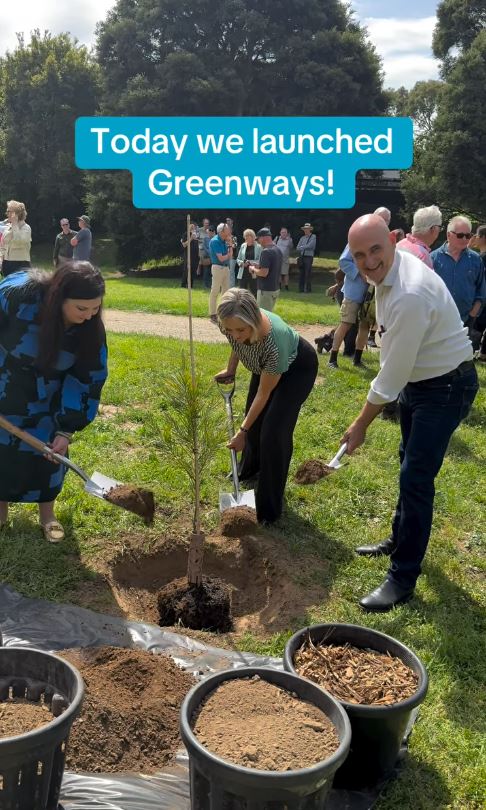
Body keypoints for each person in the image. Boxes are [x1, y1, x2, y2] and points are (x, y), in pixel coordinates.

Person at [341, 214, 478, 612]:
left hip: (446, 386)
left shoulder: (409, 294)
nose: (368, 262)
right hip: (421, 382)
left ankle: (402, 577)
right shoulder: (390, 271)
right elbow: (399, 370)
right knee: (408, 462)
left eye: (375, 250)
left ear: (393, 239)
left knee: (416, 478)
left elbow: (391, 374)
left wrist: (360, 424)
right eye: (359, 254)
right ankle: (399, 539)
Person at [0, 262, 108, 543]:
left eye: (95, 309)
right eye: (81, 309)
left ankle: (47, 515)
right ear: (58, 298)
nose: (89, 316)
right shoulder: (16, 297)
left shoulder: (90, 331)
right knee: (2, 453)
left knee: (48, 455)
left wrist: (66, 429)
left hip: (49, 395)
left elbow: (88, 377)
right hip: (5, 382)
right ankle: (0, 513)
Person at [215, 288, 318, 523]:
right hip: (263, 366)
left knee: (273, 432)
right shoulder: (231, 323)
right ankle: (249, 469)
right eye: (229, 329)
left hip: (296, 370)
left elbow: (264, 393)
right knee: (254, 421)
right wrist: (231, 369)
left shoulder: (274, 342)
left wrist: (242, 431)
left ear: (252, 320)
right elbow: (237, 344)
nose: (235, 334)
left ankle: (269, 507)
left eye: (240, 330)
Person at [431, 216, 486, 334]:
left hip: (466, 322)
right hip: (437, 322)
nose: (465, 239)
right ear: (449, 235)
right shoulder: (433, 258)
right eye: (461, 235)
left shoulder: (476, 260)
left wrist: (472, 315)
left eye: (468, 235)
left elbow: (480, 291)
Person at [396, 205, 442, 269]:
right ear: (433, 229)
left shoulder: (399, 244)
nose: (440, 230)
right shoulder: (423, 256)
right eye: (439, 227)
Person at [250, 228, 282, 311]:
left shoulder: (266, 251)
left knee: (263, 316)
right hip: (275, 288)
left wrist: (253, 269)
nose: (258, 242)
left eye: (258, 239)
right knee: (269, 314)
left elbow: (264, 273)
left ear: (262, 238)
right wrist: (259, 265)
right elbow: (272, 266)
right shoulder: (277, 250)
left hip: (266, 290)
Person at [208, 222, 233, 323]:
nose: (229, 232)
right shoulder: (215, 241)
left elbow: (230, 256)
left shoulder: (224, 241)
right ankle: (213, 313)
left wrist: (230, 244)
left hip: (226, 268)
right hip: (218, 268)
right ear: (222, 231)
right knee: (215, 291)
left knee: (226, 292)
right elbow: (221, 258)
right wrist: (228, 253)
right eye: (227, 230)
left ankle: (223, 313)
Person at [0, 200, 32, 277]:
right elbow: (2, 247)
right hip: (7, 265)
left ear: (16, 213)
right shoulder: (7, 228)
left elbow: (19, 242)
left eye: (9, 211)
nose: (6, 214)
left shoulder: (26, 227)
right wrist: (0, 261)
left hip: (21, 265)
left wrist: (14, 224)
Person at [236, 229, 261, 297]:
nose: (246, 237)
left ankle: (254, 306)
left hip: (253, 271)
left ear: (253, 237)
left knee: (254, 291)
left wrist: (251, 262)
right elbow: (238, 259)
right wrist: (242, 263)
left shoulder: (259, 247)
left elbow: (260, 260)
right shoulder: (243, 245)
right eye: (245, 236)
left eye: (248, 236)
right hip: (243, 272)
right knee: (241, 293)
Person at [296, 223, 316, 292]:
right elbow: (297, 247)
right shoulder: (302, 238)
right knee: (301, 273)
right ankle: (301, 289)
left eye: (307, 229)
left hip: (309, 257)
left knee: (308, 273)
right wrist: (304, 247)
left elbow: (311, 246)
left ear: (310, 230)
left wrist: (302, 247)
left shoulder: (313, 236)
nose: (306, 230)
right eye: (305, 229)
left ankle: (308, 289)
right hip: (302, 257)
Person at [180, 222, 200, 287]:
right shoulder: (186, 234)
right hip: (188, 255)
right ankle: (183, 284)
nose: (193, 229)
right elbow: (184, 245)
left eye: (194, 228)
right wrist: (191, 238)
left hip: (195, 255)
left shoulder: (195, 235)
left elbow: (197, 243)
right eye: (192, 228)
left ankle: (190, 285)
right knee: (187, 269)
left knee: (193, 269)